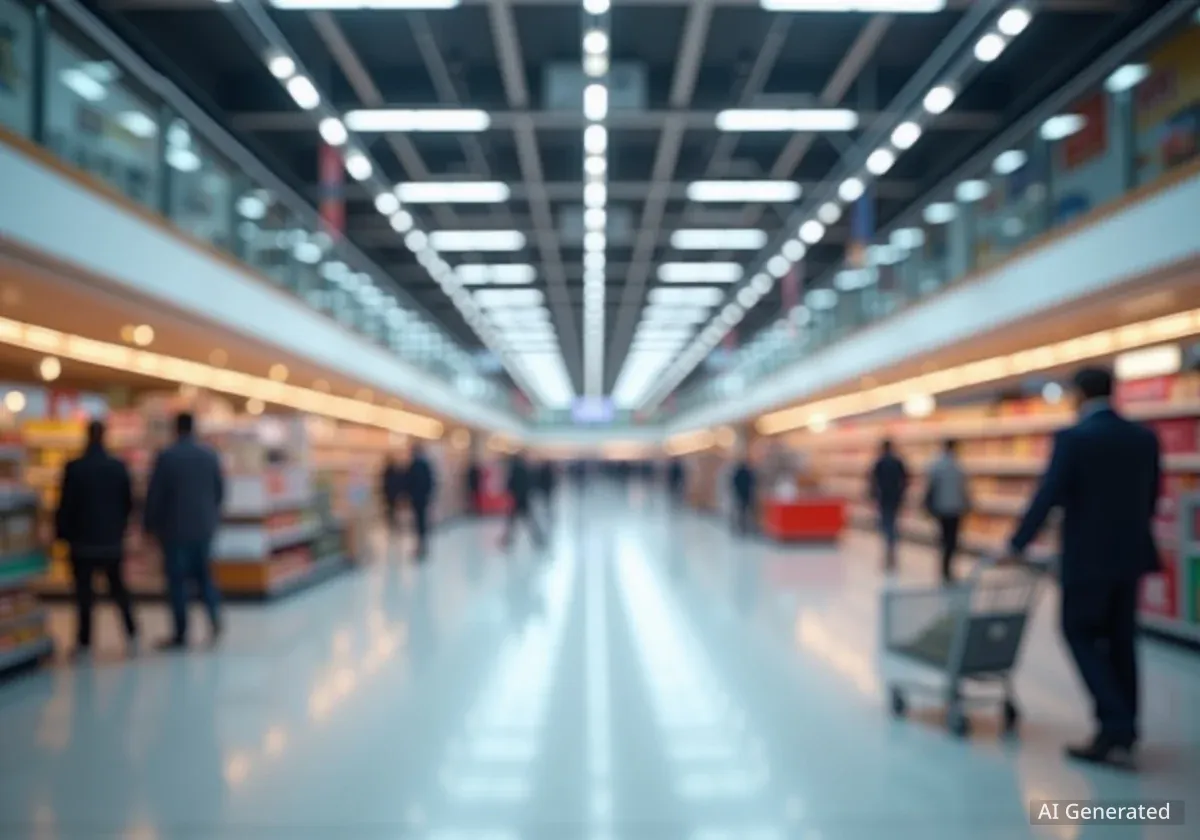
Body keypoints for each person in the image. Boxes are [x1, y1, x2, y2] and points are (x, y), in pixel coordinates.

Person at [1005, 367, 1160, 768]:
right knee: (1122, 640)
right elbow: (1152, 496)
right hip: (1130, 556)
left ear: (1078, 394)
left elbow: (1049, 494)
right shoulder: (1144, 438)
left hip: (1087, 558)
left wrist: (1017, 543)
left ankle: (1115, 724)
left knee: (1078, 632)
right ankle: (1125, 731)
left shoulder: (1074, 439)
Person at [55, 419, 138, 655]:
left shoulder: (75, 468)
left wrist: (62, 535)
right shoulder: (117, 467)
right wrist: (121, 528)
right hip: (111, 540)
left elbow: (65, 505)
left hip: (82, 541)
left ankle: (85, 641)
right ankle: (132, 634)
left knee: (84, 594)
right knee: (118, 589)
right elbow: (128, 503)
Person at [144, 412, 225, 649]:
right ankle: (214, 618)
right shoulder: (209, 455)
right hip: (203, 527)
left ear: (175, 429)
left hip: (175, 529)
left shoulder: (167, 456)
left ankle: (181, 632)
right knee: (205, 577)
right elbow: (219, 491)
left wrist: (149, 526)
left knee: (177, 582)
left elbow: (156, 494)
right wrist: (211, 516)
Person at [923, 439, 970, 584]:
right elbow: (964, 489)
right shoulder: (958, 466)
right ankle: (948, 568)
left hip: (941, 508)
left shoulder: (936, 465)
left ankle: (944, 567)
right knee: (952, 540)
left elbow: (930, 487)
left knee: (943, 538)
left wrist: (928, 505)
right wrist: (967, 504)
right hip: (956, 508)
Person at [870, 439, 909, 571]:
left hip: (884, 498)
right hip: (895, 497)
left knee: (886, 523)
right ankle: (892, 549)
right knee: (893, 522)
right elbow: (905, 479)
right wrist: (902, 494)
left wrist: (873, 496)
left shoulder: (879, 462)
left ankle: (888, 549)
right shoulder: (898, 461)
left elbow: (873, 481)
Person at [501, 450, 544, 550]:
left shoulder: (515, 469)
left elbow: (511, 484)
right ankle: (537, 538)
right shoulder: (524, 469)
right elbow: (529, 484)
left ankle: (508, 540)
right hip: (523, 498)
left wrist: (510, 492)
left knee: (514, 521)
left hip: (518, 499)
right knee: (523, 521)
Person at [406, 444, 436, 560]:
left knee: (419, 522)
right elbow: (430, 482)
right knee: (421, 522)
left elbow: (409, 482)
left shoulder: (414, 466)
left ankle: (421, 546)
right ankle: (422, 545)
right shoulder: (425, 465)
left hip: (417, 498)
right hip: (422, 498)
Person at [730, 456, 757, 535]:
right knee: (742, 512)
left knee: (743, 511)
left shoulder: (745, 472)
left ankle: (743, 527)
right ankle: (742, 527)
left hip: (744, 494)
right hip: (744, 494)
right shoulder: (745, 472)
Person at [381, 455, 406, 529]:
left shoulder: (388, 472)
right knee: (393, 509)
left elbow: (386, 484)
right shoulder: (394, 471)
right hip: (394, 493)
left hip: (390, 493)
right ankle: (394, 523)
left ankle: (392, 523)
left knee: (391, 510)